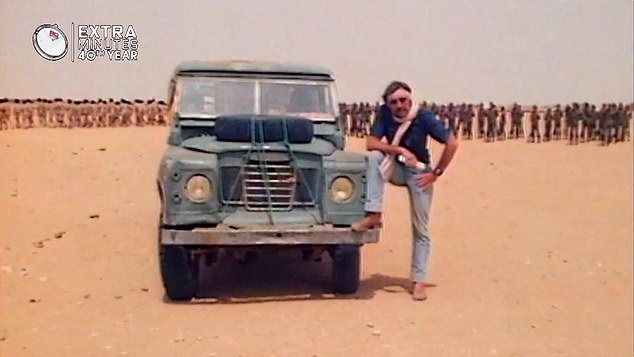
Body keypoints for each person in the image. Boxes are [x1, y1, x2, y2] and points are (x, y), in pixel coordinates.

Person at [351, 81, 459, 301]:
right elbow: (370, 143)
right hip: (396, 166)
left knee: (421, 228)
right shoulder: (385, 114)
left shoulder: (424, 117)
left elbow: (452, 143)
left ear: (410, 99)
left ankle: (419, 280)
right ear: (388, 104)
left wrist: (436, 173)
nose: (400, 105)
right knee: (373, 159)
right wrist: (398, 149)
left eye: (403, 100)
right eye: (394, 102)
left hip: (419, 174)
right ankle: (374, 213)